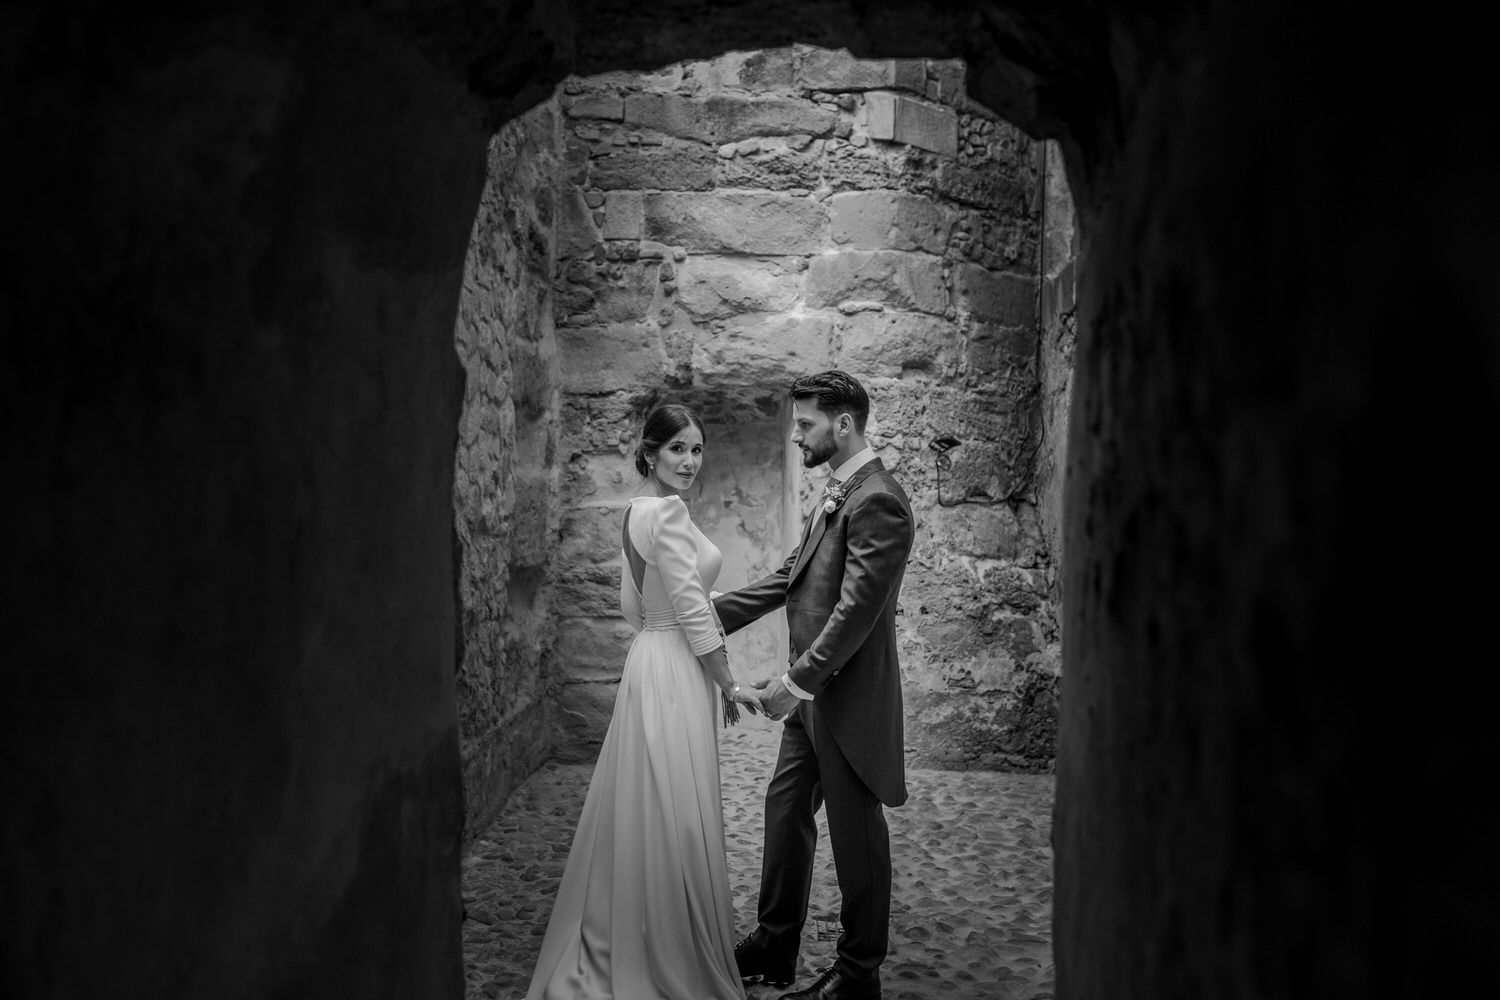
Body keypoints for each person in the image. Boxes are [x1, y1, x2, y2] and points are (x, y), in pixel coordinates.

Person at [525, 402, 761, 1000]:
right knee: (677, 809)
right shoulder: (670, 513)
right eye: (677, 448)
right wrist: (729, 683)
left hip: (648, 659)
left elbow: (635, 607)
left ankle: (635, 925)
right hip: (677, 667)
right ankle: (671, 948)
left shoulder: (636, 510)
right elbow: (694, 613)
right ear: (650, 453)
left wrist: (666, 631)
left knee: (649, 801)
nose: (690, 460)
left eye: (697, 449)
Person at [714, 371, 915, 1000]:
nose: (797, 435)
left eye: (805, 424)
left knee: (857, 834)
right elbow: (792, 577)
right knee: (785, 810)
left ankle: (858, 973)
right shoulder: (839, 490)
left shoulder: (879, 500)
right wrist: (707, 616)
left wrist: (794, 684)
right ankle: (775, 944)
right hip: (812, 699)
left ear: (843, 423)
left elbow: (855, 613)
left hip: (845, 699)